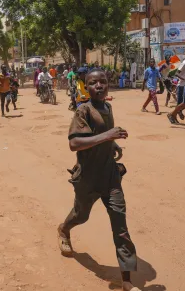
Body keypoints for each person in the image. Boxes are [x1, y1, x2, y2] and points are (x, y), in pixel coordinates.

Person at [57, 68, 139, 291]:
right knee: (81, 216)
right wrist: (108, 136)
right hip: (88, 178)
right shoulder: (83, 110)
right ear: (86, 86)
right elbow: (74, 143)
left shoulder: (107, 106)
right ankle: (64, 229)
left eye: (103, 82)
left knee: (120, 226)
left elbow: (104, 133)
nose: (99, 86)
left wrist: (112, 144)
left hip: (110, 176)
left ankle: (127, 280)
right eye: (93, 83)